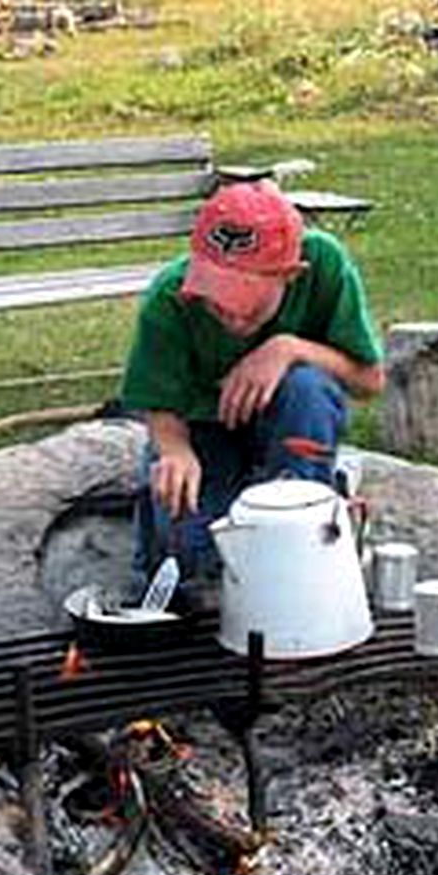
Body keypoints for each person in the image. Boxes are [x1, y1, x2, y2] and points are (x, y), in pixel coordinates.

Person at [120, 179, 385, 594]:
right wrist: (174, 450)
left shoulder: (325, 264)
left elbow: (369, 381)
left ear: (292, 275)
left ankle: (306, 511)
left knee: (308, 388)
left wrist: (289, 348)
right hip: (204, 430)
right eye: (216, 300)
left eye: (249, 305)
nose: (232, 319)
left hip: (288, 422)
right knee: (193, 563)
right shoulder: (169, 295)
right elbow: (158, 402)